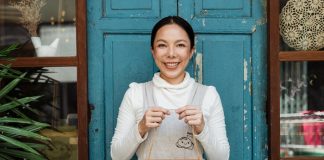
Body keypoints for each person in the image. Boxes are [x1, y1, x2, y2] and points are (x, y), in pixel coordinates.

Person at [110, 16, 230, 160]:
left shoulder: (208, 95)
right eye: (162, 45)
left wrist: (202, 128)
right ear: (153, 51)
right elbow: (117, 156)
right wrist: (141, 127)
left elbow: (222, 157)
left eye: (180, 45)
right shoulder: (135, 94)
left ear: (191, 51)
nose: (171, 54)